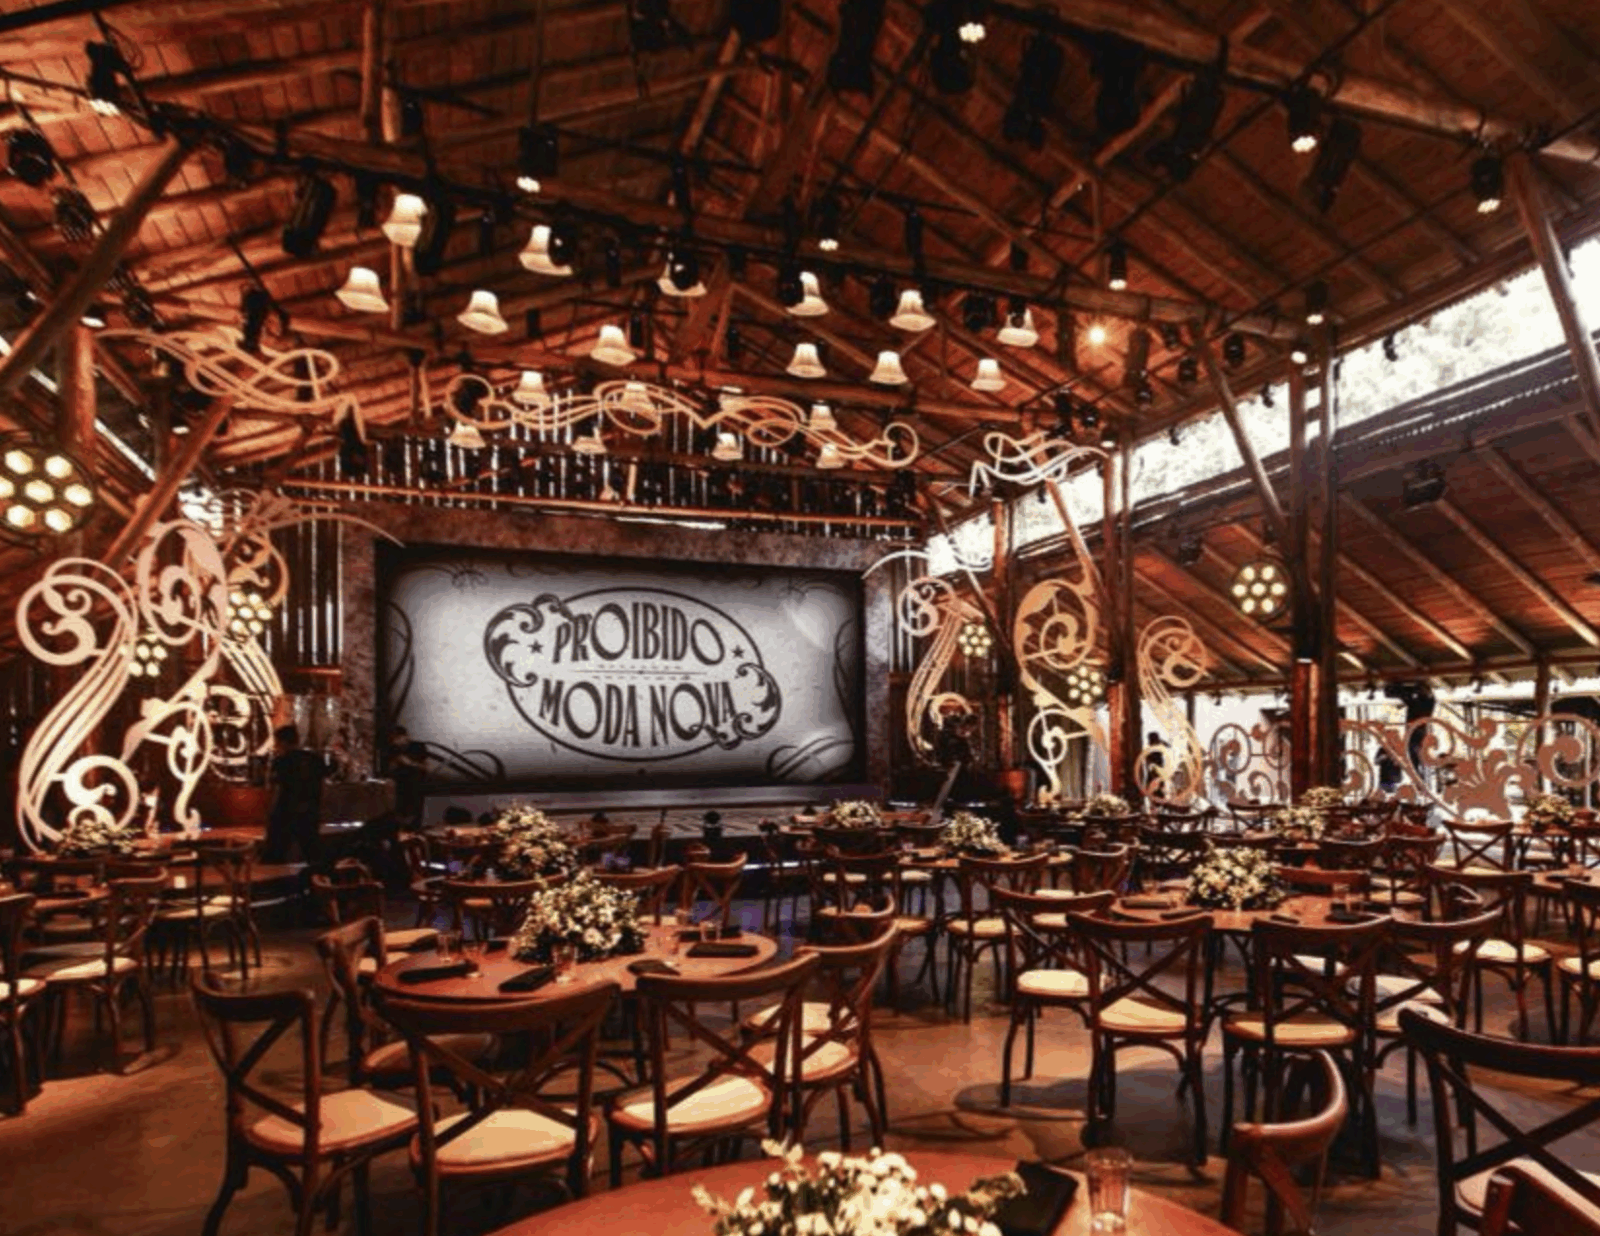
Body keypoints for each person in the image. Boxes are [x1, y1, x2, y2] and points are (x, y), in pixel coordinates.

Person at [264, 724, 327, 866]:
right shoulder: (315, 759)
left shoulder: (281, 761)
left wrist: (270, 812)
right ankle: (318, 876)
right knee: (312, 851)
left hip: (285, 811)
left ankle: (275, 878)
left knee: (275, 853)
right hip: (310, 810)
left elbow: (276, 789)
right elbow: (323, 786)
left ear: (282, 742)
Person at [385, 725, 430, 827]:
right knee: (399, 820)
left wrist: (409, 763)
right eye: (392, 740)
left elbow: (426, 768)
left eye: (396, 739)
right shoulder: (393, 749)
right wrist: (393, 764)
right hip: (399, 788)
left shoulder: (418, 747)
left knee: (414, 819)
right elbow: (389, 771)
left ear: (404, 736)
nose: (394, 742)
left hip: (415, 787)